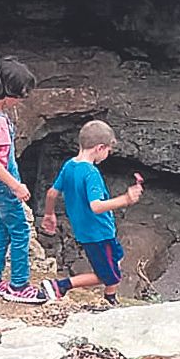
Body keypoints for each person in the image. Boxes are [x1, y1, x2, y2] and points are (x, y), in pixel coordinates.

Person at [0, 58, 50, 305]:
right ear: (8, 93)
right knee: (20, 230)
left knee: (4, 228)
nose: (21, 101)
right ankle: (19, 285)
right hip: (0, 183)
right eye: (21, 96)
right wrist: (16, 186)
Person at [40, 120, 142, 306]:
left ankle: (110, 297)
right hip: (98, 233)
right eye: (108, 150)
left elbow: (51, 193)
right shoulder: (91, 174)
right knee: (111, 276)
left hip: (85, 230)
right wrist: (126, 199)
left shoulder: (70, 165)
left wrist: (49, 214)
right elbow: (96, 206)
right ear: (100, 148)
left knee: (116, 258)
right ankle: (61, 286)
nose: (108, 154)